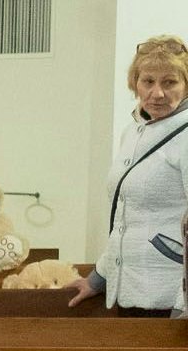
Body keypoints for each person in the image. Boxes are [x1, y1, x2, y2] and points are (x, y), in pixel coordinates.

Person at [70, 35, 188, 314]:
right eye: (148, 81)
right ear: (135, 83)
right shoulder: (133, 131)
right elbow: (128, 217)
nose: (157, 93)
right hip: (129, 289)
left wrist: (184, 306)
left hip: (171, 298)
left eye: (169, 82)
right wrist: (98, 278)